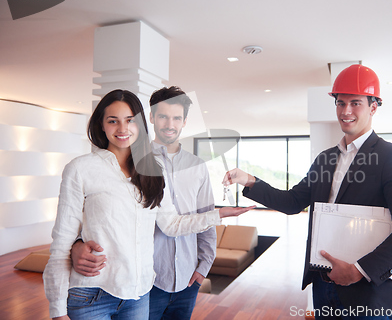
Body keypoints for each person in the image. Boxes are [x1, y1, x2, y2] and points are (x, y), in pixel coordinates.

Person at [223, 64, 392, 319]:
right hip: (323, 286)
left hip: (367, 292)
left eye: (355, 103)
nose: (346, 111)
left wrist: (359, 270)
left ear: (373, 107)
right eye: (340, 103)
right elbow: (293, 202)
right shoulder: (325, 159)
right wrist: (249, 180)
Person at [43, 89, 250, 320]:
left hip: (140, 293)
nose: (122, 129)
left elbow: (171, 224)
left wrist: (218, 215)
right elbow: (64, 241)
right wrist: (58, 310)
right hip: (95, 293)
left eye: (130, 121)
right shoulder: (81, 168)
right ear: (102, 125)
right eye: (113, 121)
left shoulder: (154, 169)